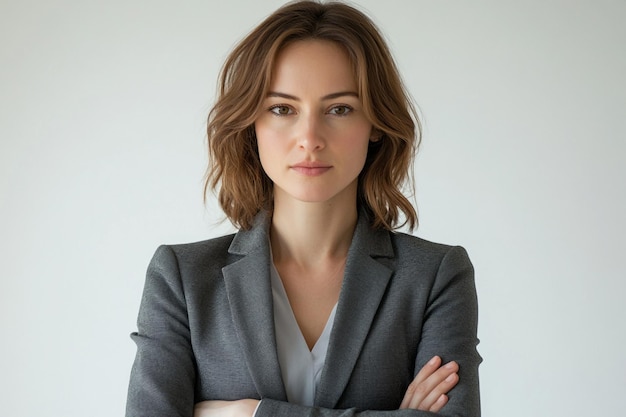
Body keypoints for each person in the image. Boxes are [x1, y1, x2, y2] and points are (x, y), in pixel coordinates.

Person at [125, 1, 481, 416]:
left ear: (376, 126)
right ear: (250, 124)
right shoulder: (181, 280)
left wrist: (250, 414)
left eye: (340, 109)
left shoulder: (435, 276)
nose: (309, 137)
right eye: (282, 109)